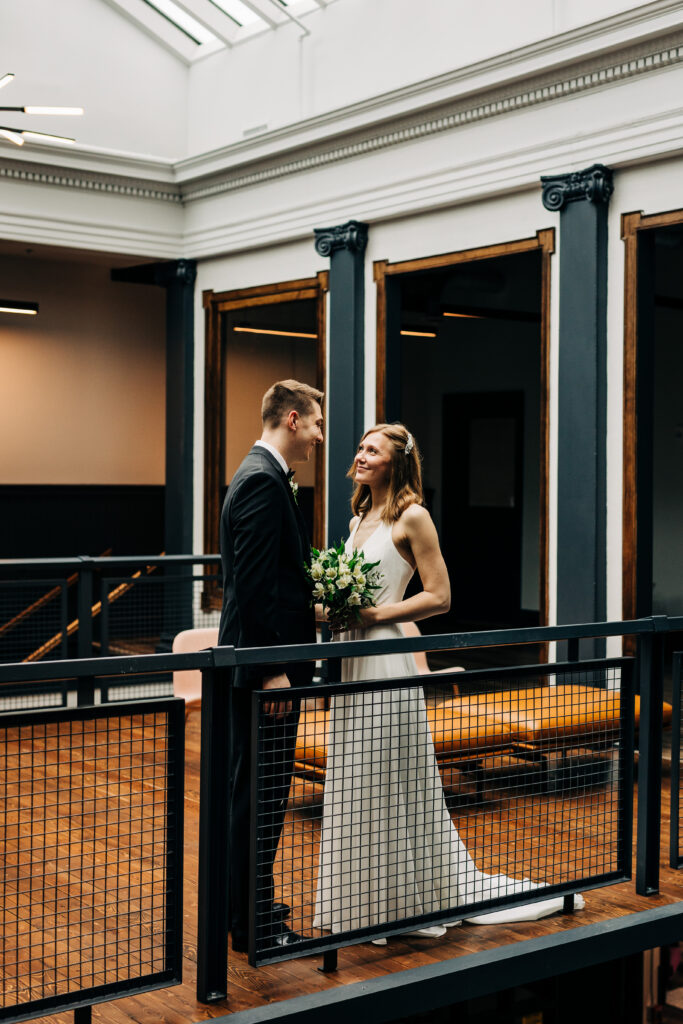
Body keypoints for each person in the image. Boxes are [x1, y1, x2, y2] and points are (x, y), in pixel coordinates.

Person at [313, 423, 581, 940]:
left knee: (387, 774)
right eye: (362, 448)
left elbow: (440, 596)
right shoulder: (358, 517)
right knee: (355, 778)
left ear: (396, 463)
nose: (361, 455)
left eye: (374, 450)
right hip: (351, 659)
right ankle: (366, 903)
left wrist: (376, 615)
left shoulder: (412, 516)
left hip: (385, 660)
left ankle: (409, 899)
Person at [219, 379, 324, 953]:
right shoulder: (262, 481)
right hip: (266, 672)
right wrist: (273, 669)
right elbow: (254, 588)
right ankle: (252, 923)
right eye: (314, 423)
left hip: (263, 664)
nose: (318, 435)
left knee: (258, 794)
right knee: (260, 796)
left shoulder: (258, 473)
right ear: (290, 418)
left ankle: (250, 903)